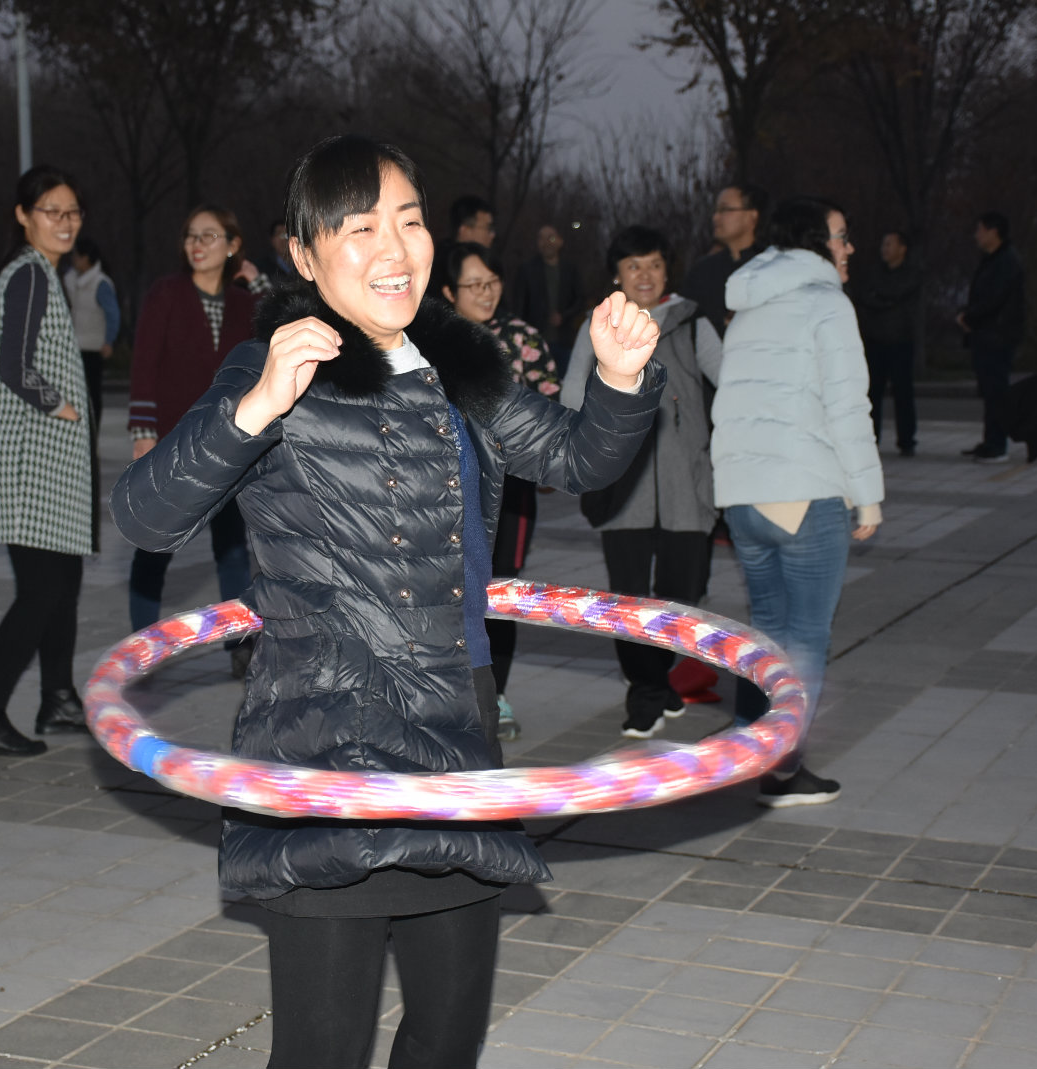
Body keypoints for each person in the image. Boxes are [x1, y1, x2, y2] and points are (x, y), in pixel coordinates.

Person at [110, 135, 664, 1068]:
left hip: (458, 728)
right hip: (327, 739)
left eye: (408, 221)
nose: (394, 249)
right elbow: (144, 514)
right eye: (360, 228)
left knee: (448, 1036)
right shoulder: (269, 364)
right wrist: (254, 407)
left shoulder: (459, 360)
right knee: (323, 1050)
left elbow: (577, 458)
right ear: (304, 253)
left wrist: (616, 376)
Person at [711, 196, 884, 807]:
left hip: (744, 498)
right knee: (805, 638)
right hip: (805, 493)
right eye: (840, 236)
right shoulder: (826, 303)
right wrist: (868, 496)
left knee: (767, 634)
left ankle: (752, 751)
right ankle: (781, 767)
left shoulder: (748, 303)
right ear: (814, 241)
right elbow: (848, 406)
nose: (848, 247)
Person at [561, 225, 723, 739]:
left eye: (654, 264)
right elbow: (571, 394)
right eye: (634, 266)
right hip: (621, 488)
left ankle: (660, 680)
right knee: (629, 601)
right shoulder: (601, 325)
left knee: (683, 594)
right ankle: (646, 692)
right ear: (618, 274)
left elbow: (732, 384)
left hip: (687, 486)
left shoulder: (693, 322)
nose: (645, 275)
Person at [0, 165, 96, 756]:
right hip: (31, 460)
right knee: (41, 593)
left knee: (63, 585)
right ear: (23, 216)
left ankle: (58, 697)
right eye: (51, 211)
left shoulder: (43, 272)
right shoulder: (27, 273)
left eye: (72, 213)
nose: (64, 222)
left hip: (52, 461)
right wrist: (60, 406)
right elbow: (13, 364)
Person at [126, 206, 260, 676]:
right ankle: (144, 648)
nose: (197, 245)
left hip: (228, 444)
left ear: (233, 245)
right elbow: (143, 365)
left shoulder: (244, 303)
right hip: (173, 445)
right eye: (190, 236)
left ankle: (241, 646)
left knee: (234, 549)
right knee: (155, 546)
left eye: (209, 236)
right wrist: (144, 434)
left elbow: (280, 330)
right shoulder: (166, 294)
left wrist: (257, 281)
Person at [438, 240, 561, 741]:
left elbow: (549, 404)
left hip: (511, 491)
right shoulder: (430, 341)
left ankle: (496, 693)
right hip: (445, 487)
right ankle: (447, 688)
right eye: (473, 285)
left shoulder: (522, 338)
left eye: (492, 282)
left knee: (498, 588)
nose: (486, 293)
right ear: (449, 291)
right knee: (449, 585)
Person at [957, 210, 1025, 463]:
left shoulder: (1006, 262)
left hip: (997, 336)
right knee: (989, 391)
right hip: (987, 335)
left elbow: (994, 299)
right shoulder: (993, 260)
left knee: (996, 391)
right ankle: (990, 440)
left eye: (980, 229)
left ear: (993, 231)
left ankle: (997, 445)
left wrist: (969, 317)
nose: (977, 235)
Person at [857, 230, 921, 456]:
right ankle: (871, 437)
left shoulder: (911, 273)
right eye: (883, 244)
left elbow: (896, 293)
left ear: (903, 248)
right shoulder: (874, 272)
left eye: (889, 244)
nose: (884, 249)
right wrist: (884, 300)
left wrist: (880, 298)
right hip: (876, 340)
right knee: (872, 392)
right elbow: (865, 296)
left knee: (903, 392)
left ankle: (907, 440)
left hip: (901, 341)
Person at [683, 183, 770, 336]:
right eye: (716, 211)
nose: (716, 217)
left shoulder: (772, 266)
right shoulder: (703, 271)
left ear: (752, 216)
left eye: (725, 210)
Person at [62, 235, 121, 430]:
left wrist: (109, 341)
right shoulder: (69, 280)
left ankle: (92, 431)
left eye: (76, 255)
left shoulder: (100, 283)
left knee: (92, 393)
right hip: (73, 346)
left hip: (93, 348)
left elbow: (113, 314)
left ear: (85, 258)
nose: (73, 259)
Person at [509, 223, 585, 370]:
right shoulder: (527, 270)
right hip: (535, 342)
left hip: (565, 341)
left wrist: (564, 316)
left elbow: (580, 299)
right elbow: (519, 306)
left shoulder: (570, 269)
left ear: (560, 241)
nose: (546, 243)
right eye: (541, 238)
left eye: (550, 238)